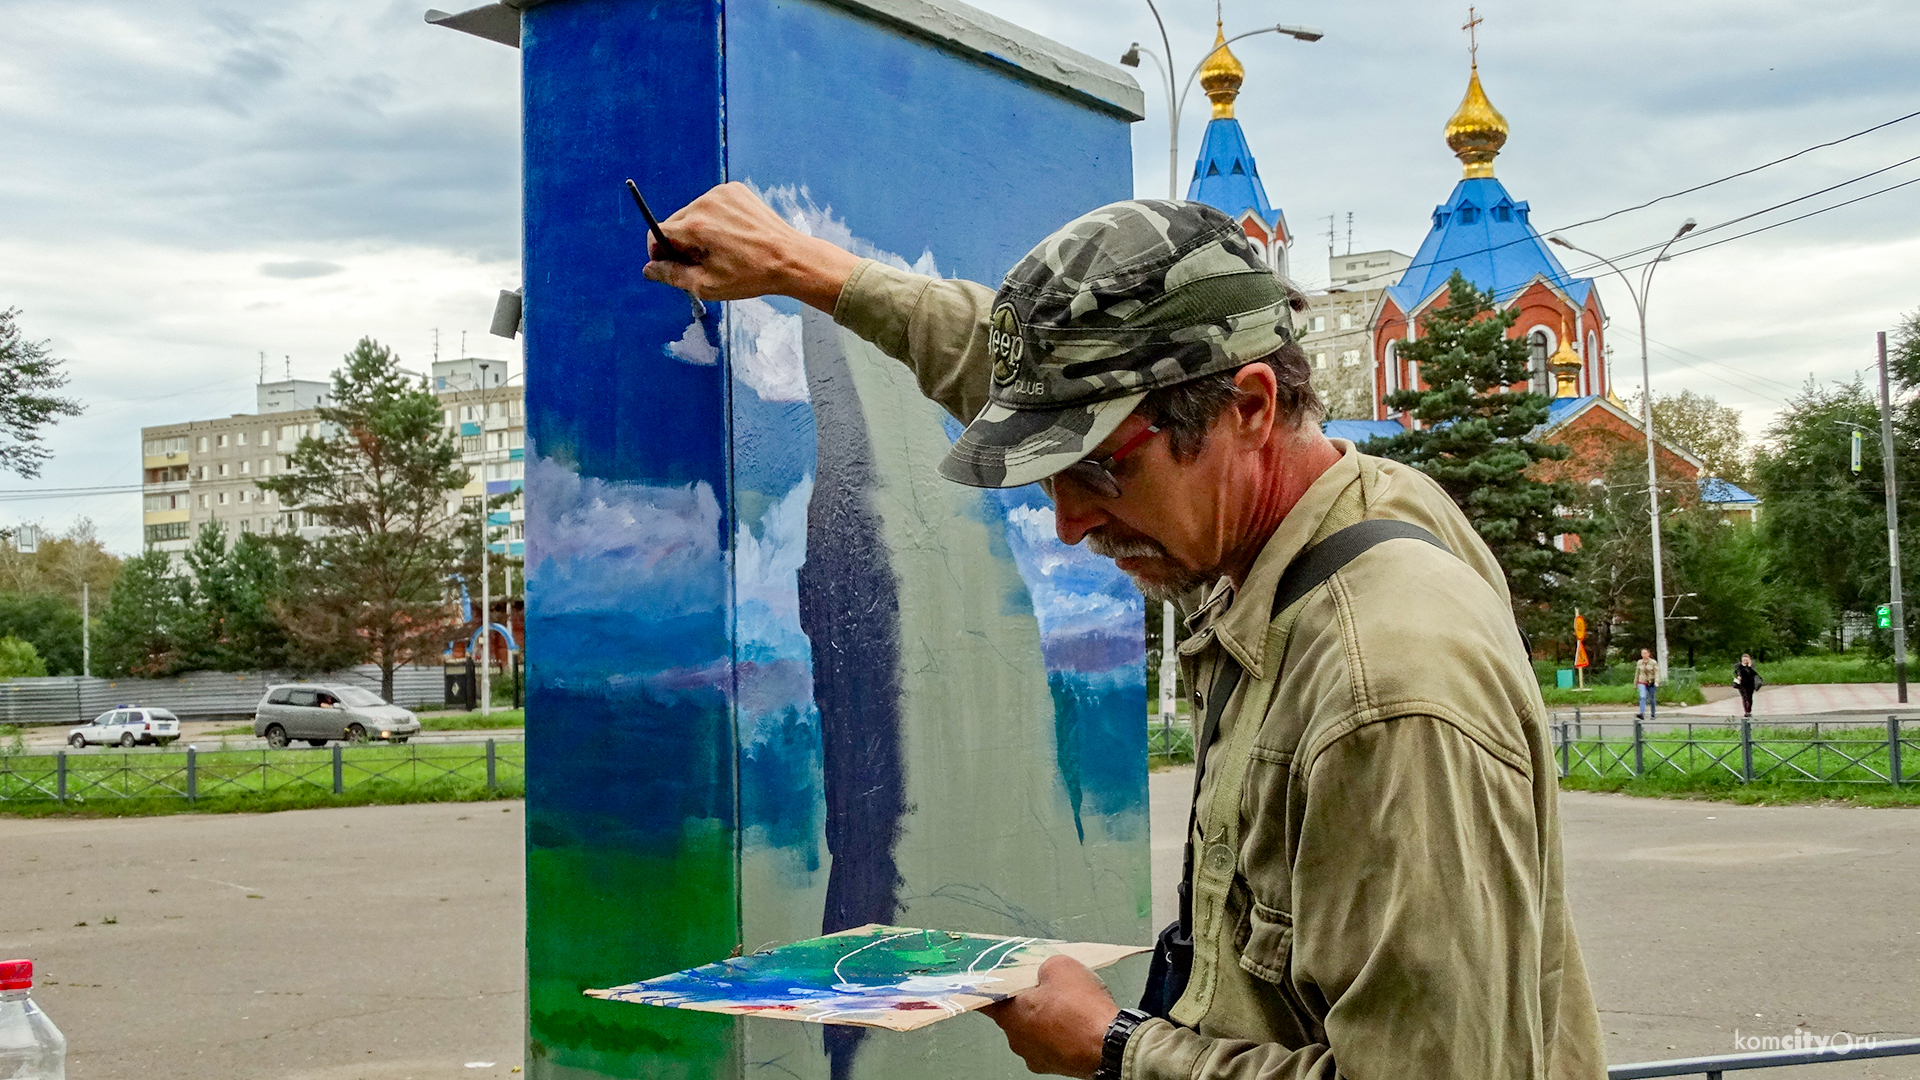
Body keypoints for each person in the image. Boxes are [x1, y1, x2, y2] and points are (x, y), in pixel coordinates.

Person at [645, 185, 1606, 1080]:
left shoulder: (1383, 687)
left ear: (1253, 406)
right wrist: (801, 265)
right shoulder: (1318, 506)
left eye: (1097, 472)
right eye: (1048, 471)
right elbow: (1024, 366)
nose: (1068, 520)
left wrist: (1118, 1048)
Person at [1733, 653, 1761, 719]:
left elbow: (1754, 673)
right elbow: (1737, 671)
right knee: (1744, 697)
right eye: (1744, 659)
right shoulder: (1738, 665)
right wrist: (1738, 675)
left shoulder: (1751, 666)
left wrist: (1749, 666)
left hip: (1750, 683)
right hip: (1742, 684)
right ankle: (1746, 711)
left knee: (1749, 697)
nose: (1745, 661)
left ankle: (1749, 710)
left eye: (1746, 659)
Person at [1634, 647, 1659, 721]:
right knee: (1642, 696)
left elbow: (1657, 673)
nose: (1643, 655)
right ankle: (1642, 713)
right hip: (1642, 682)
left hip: (1651, 682)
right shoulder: (1639, 662)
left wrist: (1657, 681)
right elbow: (1637, 673)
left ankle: (1653, 714)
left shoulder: (1653, 662)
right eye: (1642, 653)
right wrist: (1635, 683)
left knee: (1652, 698)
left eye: (1645, 653)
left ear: (1648, 654)